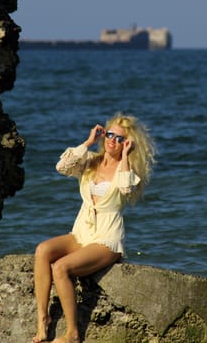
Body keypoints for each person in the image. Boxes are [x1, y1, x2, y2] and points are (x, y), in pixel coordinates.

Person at [32, 113, 156, 343]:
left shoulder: (126, 170)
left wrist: (126, 156)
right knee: (42, 250)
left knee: (61, 268)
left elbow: (127, 190)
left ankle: (72, 333)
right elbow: (62, 166)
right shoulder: (90, 160)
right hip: (81, 232)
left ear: (127, 144)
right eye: (110, 135)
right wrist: (88, 142)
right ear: (104, 135)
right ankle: (43, 319)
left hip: (107, 239)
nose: (113, 141)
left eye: (121, 139)